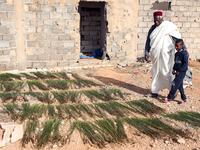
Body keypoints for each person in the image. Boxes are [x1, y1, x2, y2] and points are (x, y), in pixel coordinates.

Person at [145, 10, 181, 98]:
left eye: (158, 18)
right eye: (155, 19)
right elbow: (148, 41)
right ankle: (154, 92)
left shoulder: (168, 26)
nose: (157, 20)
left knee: (166, 72)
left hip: (166, 56)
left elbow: (178, 39)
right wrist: (146, 52)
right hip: (155, 55)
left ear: (162, 17)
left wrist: (183, 50)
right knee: (155, 73)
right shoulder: (153, 28)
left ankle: (173, 91)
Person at [164, 39, 188, 103]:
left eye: (177, 46)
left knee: (174, 84)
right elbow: (176, 63)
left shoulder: (184, 54)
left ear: (181, 45)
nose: (176, 47)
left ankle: (169, 97)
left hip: (182, 72)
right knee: (179, 85)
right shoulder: (176, 54)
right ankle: (184, 98)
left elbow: (185, 65)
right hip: (177, 71)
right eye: (175, 46)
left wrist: (179, 71)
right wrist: (174, 69)